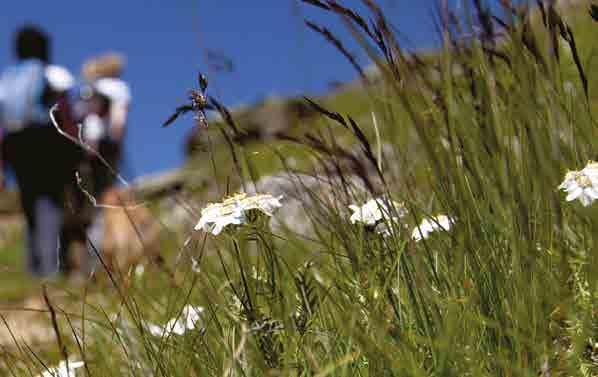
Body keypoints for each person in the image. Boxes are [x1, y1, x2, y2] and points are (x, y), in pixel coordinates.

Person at [0, 25, 81, 277]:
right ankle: (49, 269)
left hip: (14, 145)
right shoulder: (52, 73)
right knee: (49, 202)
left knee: (29, 204)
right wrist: (76, 147)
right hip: (44, 143)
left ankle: (34, 268)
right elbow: (65, 113)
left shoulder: (6, 79)